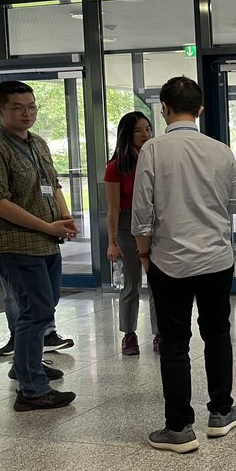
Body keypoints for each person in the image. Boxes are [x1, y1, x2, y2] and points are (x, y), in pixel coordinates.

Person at [132, 77, 236, 453]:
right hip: (216, 258)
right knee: (217, 333)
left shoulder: (153, 149)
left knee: (175, 343)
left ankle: (178, 428)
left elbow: (141, 214)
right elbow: (233, 206)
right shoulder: (221, 151)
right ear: (200, 109)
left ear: (163, 107)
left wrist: (145, 255)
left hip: (169, 261)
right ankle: (221, 412)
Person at [0, 80, 78, 411]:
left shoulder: (38, 143)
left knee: (46, 305)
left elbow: (53, 184)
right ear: (0, 110)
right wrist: (46, 225)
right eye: (18, 107)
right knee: (36, 311)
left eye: (31, 106)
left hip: (47, 242)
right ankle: (32, 390)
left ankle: (25, 366)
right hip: (16, 245)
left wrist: (64, 215)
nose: (26, 113)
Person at [105, 111, 158, 356]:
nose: (145, 134)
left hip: (154, 223)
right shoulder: (116, 167)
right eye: (139, 130)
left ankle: (160, 334)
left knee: (158, 282)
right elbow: (113, 208)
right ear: (127, 134)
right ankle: (129, 334)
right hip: (126, 225)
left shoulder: (156, 158)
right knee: (132, 283)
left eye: (147, 128)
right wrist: (113, 241)